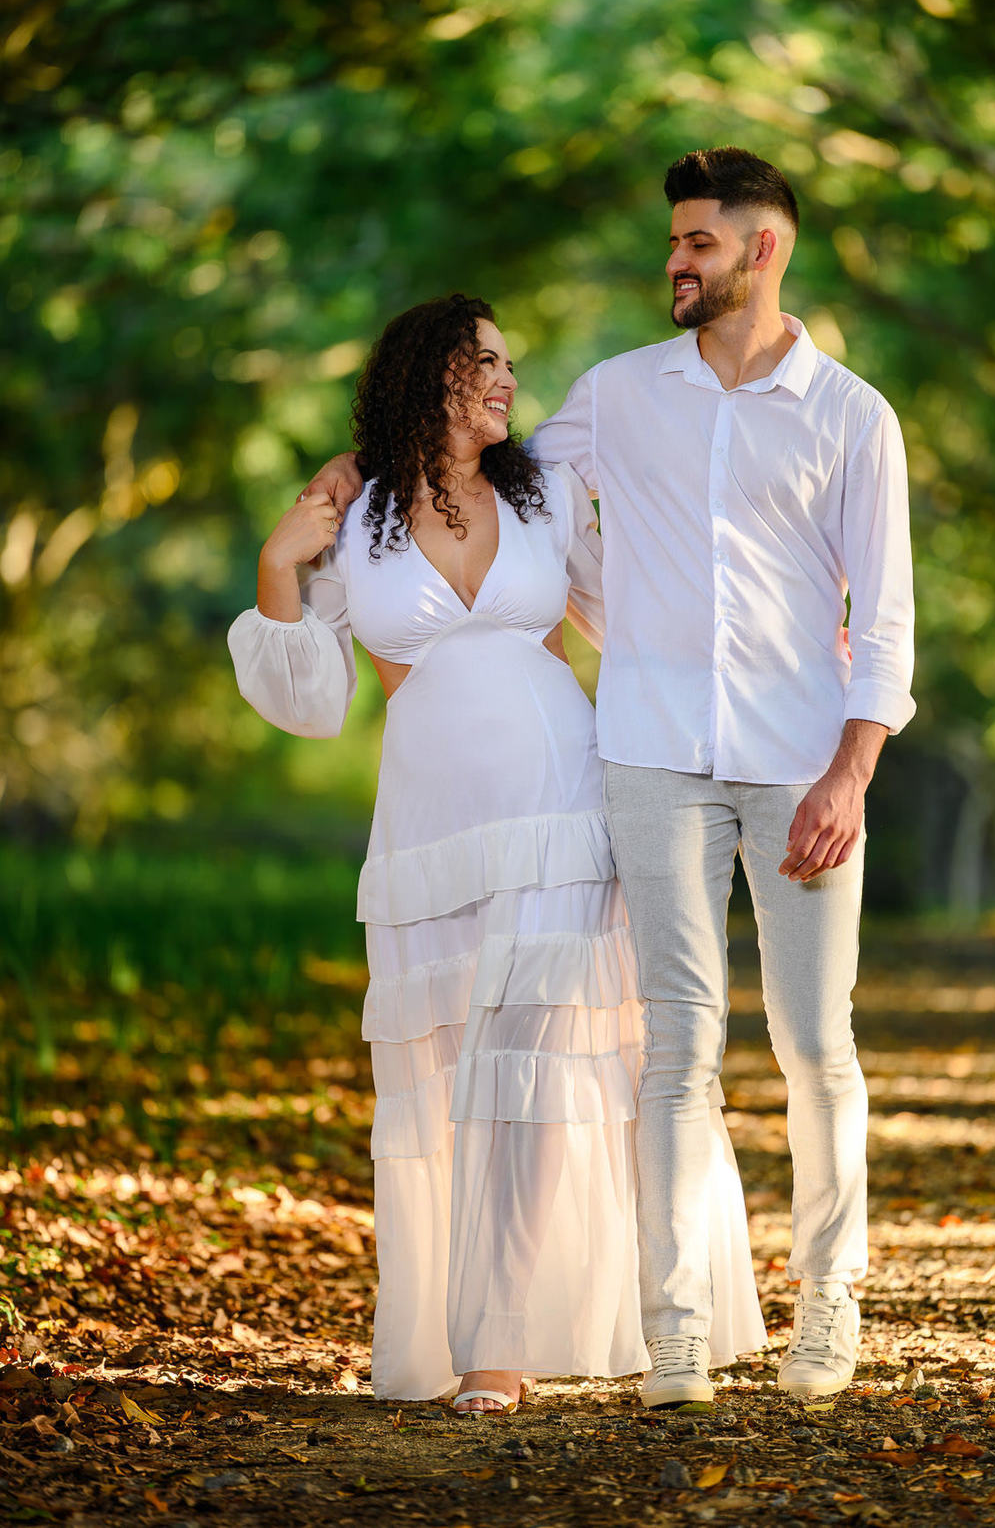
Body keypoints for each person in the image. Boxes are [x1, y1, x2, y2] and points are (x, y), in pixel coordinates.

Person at [309, 147, 916, 1407]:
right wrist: (354, 477)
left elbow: (891, 622)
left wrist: (851, 770)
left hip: (802, 762)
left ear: (764, 249)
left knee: (815, 1043)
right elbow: (478, 473)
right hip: (644, 757)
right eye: (673, 243)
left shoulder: (853, 416)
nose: (675, 263)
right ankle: (673, 1325)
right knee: (673, 1049)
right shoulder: (617, 394)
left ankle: (830, 1307)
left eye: (697, 242)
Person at [229, 293, 765, 1414]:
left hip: (562, 800)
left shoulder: (546, 494)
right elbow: (310, 701)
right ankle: (472, 1330)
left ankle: (498, 1349)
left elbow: (641, 614)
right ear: (430, 375)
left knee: (530, 1064)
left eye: (511, 362)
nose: (508, 380)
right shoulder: (358, 514)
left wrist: (783, 656)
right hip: (429, 823)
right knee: (449, 1079)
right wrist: (281, 568)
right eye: (485, 361)